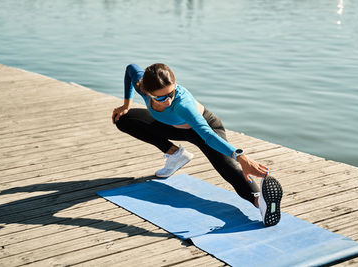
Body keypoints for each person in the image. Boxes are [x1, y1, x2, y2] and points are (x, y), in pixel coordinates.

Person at [112, 63, 283, 226]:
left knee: (228, 167)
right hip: (172, 127)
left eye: (171, 93)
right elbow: (131, 69)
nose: (169, 101)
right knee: (124, 119)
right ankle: (175, 155)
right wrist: (126, 105)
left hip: (205, 128)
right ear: (148, 92)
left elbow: (208, 135)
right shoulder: (141, 85)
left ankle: (260, 202)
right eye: (162, 97)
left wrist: (241, 158)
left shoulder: (183, 104)